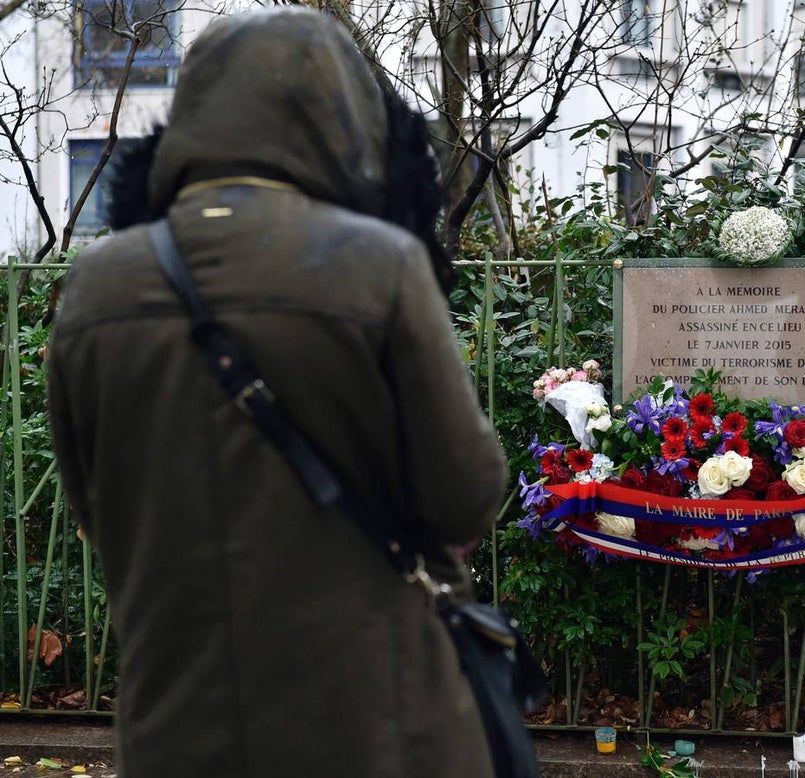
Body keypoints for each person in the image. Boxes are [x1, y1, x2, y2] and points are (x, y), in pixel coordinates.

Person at [47, 8, 507, 777]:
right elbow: (464, 493)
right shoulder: (379, 266)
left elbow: (93, 506)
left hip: (176, 725)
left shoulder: (98, 285)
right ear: (341, 116)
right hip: (374, 722)